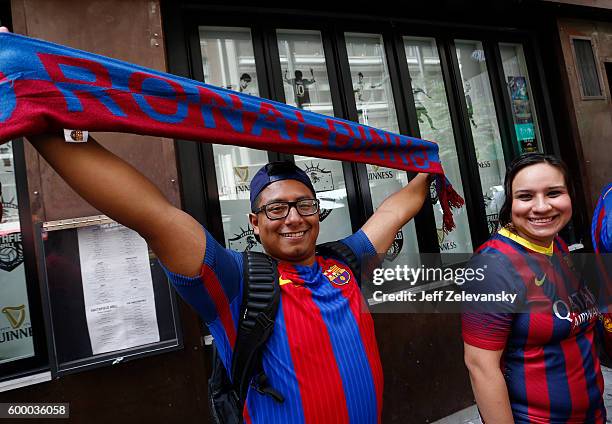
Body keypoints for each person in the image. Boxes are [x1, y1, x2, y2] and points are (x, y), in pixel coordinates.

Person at [4, 24, 431, 422]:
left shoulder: (344, 261)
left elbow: (394, 211)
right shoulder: (235, 282)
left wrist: (428, 165)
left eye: (303, 205)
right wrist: (33, 106)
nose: (293, 219)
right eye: (276, 209)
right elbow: (152, 215)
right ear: (254, 220)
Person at [461, 153, 608, 423]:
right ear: (510, 203)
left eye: (553, 193)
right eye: (526, 196)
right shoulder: (493, 268)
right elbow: (481, 367)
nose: (541, 207)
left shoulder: (557, 245)